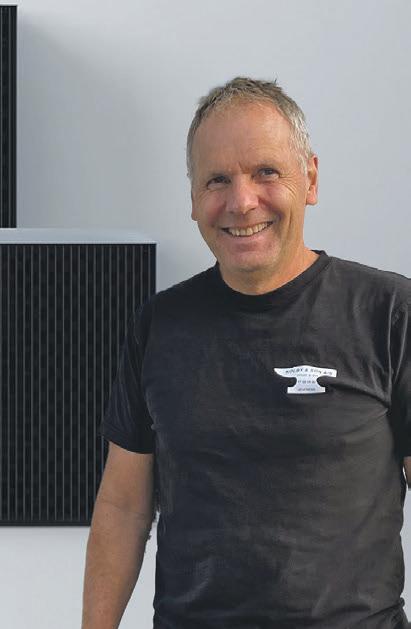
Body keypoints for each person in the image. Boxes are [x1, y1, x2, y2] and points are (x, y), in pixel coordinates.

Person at [82, 76, 410, 629]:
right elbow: (123, 508)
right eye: (217, 180)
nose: (241, 202)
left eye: (266, 172)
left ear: (310, 179)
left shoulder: (389, 313)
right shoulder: (159, 325)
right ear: (193, 200)